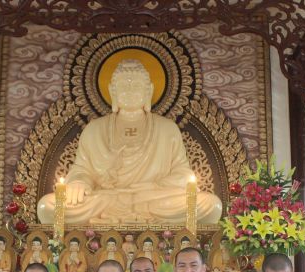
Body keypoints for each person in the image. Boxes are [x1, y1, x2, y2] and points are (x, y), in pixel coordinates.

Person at [37, 59, 222, 224]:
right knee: (48, 206)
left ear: (148, 91)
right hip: (106, 199)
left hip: (152, 198)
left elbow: (183, 173)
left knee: (211, 205)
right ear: (113, 91)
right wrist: (79, 183)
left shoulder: (167, 129)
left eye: (136, 86)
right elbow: (81, 170)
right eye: (124, 86)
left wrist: (154, 187)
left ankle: (126, 214)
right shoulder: (94, 129)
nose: (130, 92)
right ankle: (134, 214)